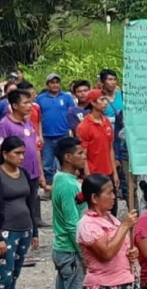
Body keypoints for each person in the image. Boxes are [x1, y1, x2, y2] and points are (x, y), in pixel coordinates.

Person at [76, 174, 139, 289]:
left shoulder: (110, 218)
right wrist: (124, 226)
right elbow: (107, 253)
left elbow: (119, 245)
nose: (114, 196)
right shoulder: (87, 224)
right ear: (94, 198)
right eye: (109, 193)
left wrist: (132, 251)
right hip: (104, 284)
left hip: (124, 280)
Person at [0, 90, 46, 226]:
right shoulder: (4, 125)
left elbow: (35, 148)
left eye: (30, 102)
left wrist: (40, 172)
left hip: (32, 173)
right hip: (16, 174)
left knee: (31, 204)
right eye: (25, 103)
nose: (29, 105)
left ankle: (32, 233)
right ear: (15, 105)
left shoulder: (28, 123)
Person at [0, 136, 38, 288]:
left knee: (15, 273)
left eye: (23, 153)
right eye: (17, 153)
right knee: (4, 276)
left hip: (25, 230)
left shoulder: (24, 174)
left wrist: (34, 232)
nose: (21, 157)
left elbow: (30, 204)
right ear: (4, 154)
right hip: (6, 231)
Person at [51, 137, 88, 289]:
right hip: (70, 251)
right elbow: (72, 224)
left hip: (63, 249)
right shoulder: (68, 185)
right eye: (80, 153)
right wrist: (83, 254)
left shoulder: (60, 178)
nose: (84, 156)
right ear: (68, 157)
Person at [76, 89, 119, 215]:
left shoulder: (106, 122)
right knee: (98, 211)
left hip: (108, 173)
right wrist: (88, 177)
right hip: (95, 174)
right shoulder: (84, 126)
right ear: (93, 103)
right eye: (102, 100)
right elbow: (83, 154)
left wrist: (114, 172)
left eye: (105, 99)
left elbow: (110, 148)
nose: (105, 103)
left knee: (112, 209)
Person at [36, 73, 75, 185]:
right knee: (47, 164)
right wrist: (40, 135)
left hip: (63, 135)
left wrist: (71, 131)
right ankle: (49, 186)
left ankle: (65, 185)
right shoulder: (40, 98)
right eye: (52, 82)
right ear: (47, 84)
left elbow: (72, 114)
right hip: (47, 136)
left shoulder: (67, 97)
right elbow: (38, 118)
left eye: (57, 82)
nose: (55, 85)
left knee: (65, 161)